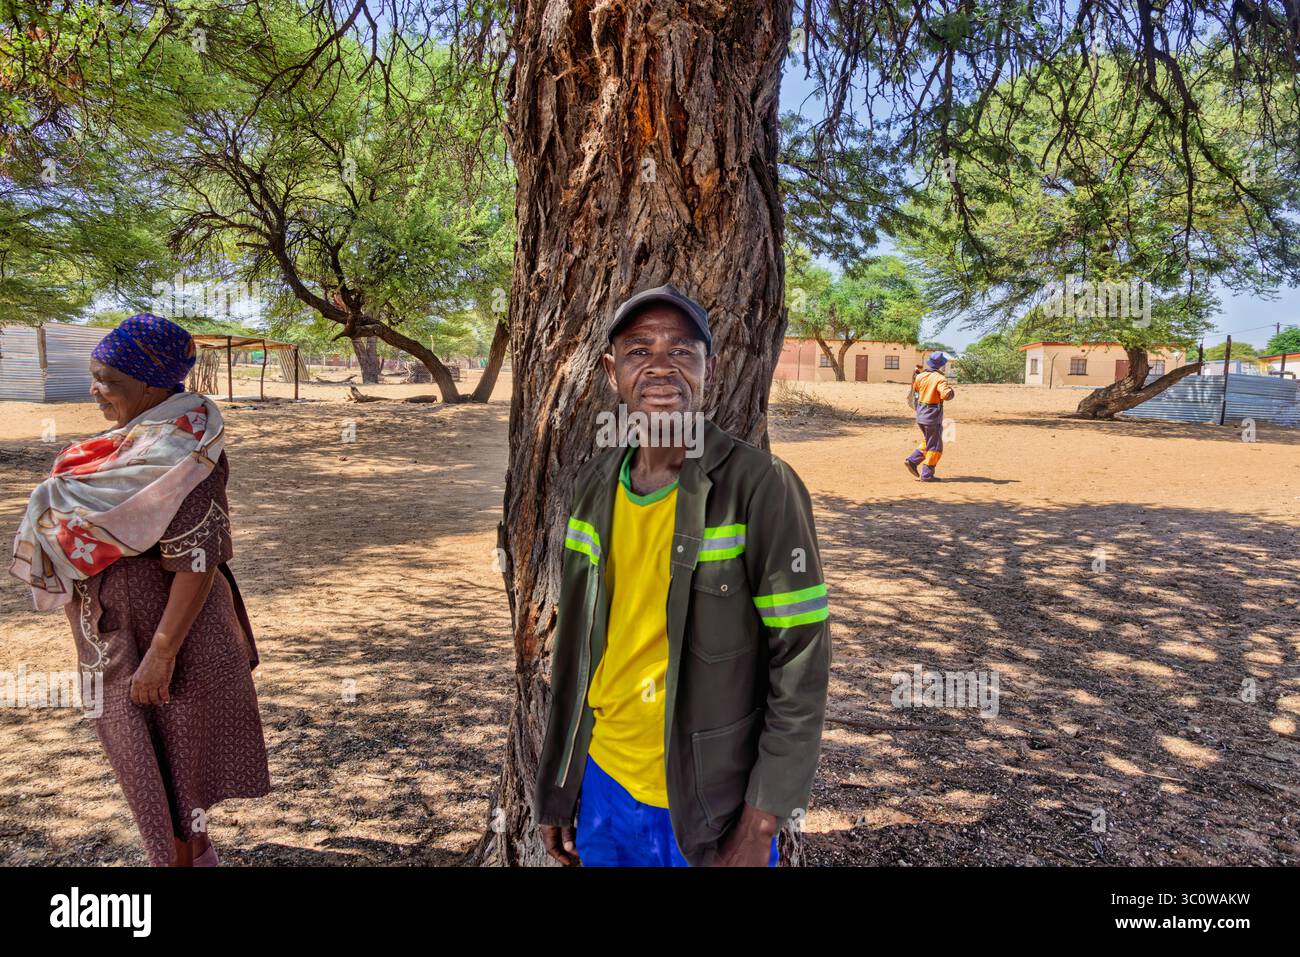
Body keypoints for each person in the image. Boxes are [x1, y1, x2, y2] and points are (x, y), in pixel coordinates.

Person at [533, 284, 831, 867]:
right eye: (638, 350)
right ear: (610, 370)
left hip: (708, 805)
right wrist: (559, 789)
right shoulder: (594, 486)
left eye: (682, 351)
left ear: (709, 369)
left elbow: (800, 660)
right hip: (604, 787)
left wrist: (762, 822)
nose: (661, 367)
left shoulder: (760, 485)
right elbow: (575, 653)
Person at [9, 313, 270, 866]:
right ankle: (193, 856)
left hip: (168, 641)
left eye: (111, 379)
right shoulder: (131, 444)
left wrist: (161, 655)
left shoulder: (186, 451)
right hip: (112, 635)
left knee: (168, 769)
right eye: (94, 375)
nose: (96, 390)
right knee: (150, 768)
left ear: (152, 383)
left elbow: (196, 560)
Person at [905, 351, 955, 482]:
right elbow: (945, 395)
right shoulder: (940, 378)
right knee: (936, 446)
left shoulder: (920, 376)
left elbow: (916, 390)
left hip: (921, 414)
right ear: (941, 365)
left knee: (929, 441)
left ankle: (912, 460)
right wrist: (951, 391)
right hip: (932, 416)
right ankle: (926, 474)